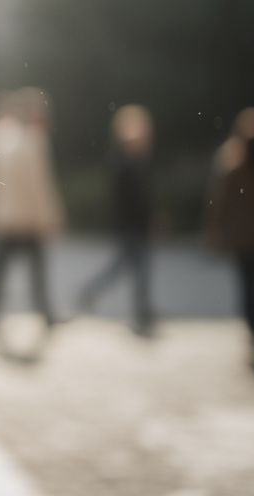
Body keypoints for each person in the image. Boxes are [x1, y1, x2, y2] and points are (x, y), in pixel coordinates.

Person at [0, 88, 64, 335]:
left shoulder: (0, 135)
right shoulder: (34, 140)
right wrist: (52, 215)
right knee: (37, 272)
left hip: (3, 215)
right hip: (28, 218)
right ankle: (46, 314)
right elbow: (40, 184)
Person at [205, 107, 254, 369]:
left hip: (242, 239)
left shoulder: (231, 164)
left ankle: (252, 330)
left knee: (248, 287)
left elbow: (220, 204)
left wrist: (215, 230)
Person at [79, 104, 156, 336]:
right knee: (132, 267)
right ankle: (140, 309)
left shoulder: (135, 159)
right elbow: (126, 197)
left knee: (128, 267)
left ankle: (138, 307)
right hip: (130, 224)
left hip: (136, 224)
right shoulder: (122, 160)